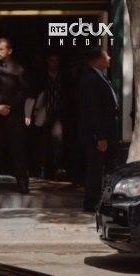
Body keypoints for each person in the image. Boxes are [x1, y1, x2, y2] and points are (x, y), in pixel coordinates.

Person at [0, 38, 30, 194]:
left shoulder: (19, 69)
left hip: (13, 116)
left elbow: (25, 91)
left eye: (1, 49)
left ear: (9, 51)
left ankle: (22, 183)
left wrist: (10, 106)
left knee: (18, 150)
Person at [76, 48, 119, 212]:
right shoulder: (90, 79)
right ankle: (92, 202)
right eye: (106, 56)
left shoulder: (101, 77)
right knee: (95, 168)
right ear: (96, 60)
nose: (109, 58)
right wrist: (100, 136)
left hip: (108, 131)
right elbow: (93, 110)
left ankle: (106, 199)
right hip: (97, 135)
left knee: (107, 167)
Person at [26, 53, 71, 180]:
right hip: (43, 112)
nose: (54, 63)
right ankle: (42, 169)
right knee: (42, 143)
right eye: (51, 60)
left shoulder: (64, 78)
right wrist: (28, 114)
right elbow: (33, 94)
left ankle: (57, 168)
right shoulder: (41, 78)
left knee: (58, 141)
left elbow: (69, 96)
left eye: (56, 60)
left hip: (59, 113)